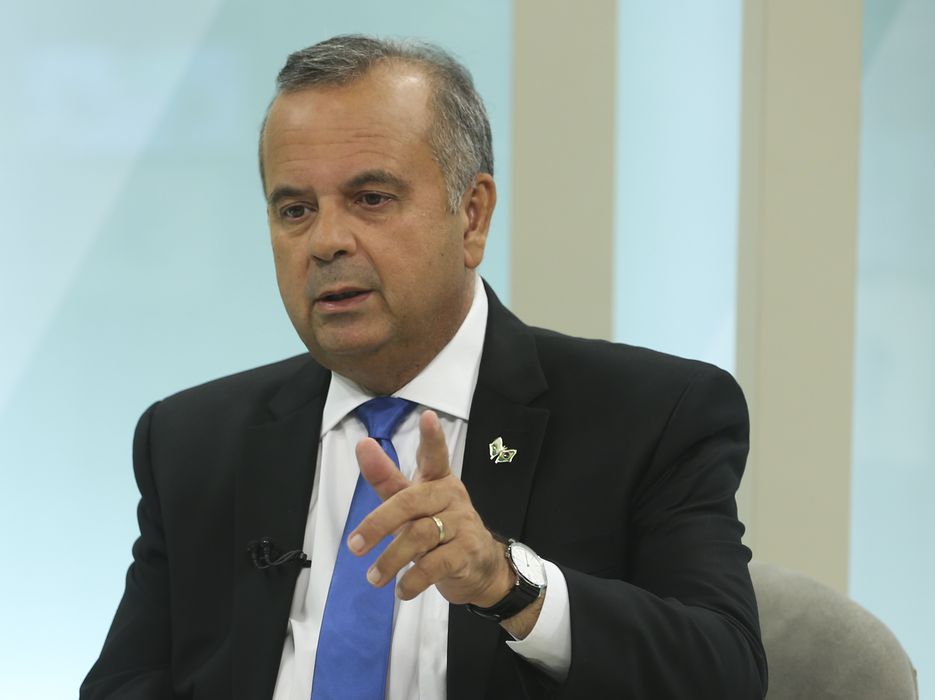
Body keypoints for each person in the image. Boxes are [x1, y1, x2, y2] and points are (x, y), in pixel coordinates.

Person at [81, 35, 767, 699]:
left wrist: (507, 583)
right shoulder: (193, 441)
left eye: (371, 199)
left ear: (472, 216)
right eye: (295, 209)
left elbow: (724, 673)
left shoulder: (652, 416)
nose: (326, 241)